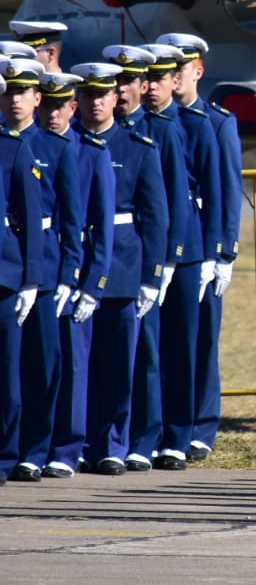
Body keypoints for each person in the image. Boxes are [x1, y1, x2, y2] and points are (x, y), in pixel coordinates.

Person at [70, 63, 167, 476]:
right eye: (88, 96)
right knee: (78, 364)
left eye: (103, 95)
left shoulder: (137, 146)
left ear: (116, 98)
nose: (96, 103)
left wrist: (152, 276)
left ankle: (113, 442)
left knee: (119, 363)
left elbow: (155, 216)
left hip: (123, 264)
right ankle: (76, 442)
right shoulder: (67, 143)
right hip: (76, 261)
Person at [157, 32, 243, 463]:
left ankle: (201, 425)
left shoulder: (217, 122)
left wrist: (223, 251)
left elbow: (227, 191)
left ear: (197, 71)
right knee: (169, 338)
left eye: (182, 68)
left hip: (204, 245)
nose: (175, 76)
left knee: (203, 337)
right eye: (169, 68)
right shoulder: (159, 120)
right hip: (173, 243)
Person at [139, 42, 223, 471]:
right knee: (150, 349)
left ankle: (182, 432)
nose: (153, 86)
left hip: (188, 248)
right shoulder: (138, 125)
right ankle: (149, 433)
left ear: (177, 79)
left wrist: (218, 252)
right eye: (148, 78)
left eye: (161, 78)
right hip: (145, 247)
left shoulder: (197, 124)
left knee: (186, 346)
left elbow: (216, 190)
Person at [104, 43, 188, 472]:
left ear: (142, 85)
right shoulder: (100, 131)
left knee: (148, 351)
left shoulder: (161, 132)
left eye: (129, 82)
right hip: (106, 256)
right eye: (116, 82)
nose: (121, 90)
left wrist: (165, 262)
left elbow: (170, 204)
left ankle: (145, 436)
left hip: (141, 255)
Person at [6, 57, 83, 483]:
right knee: (9, 366)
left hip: (47, 270)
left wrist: (70, 274)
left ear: (38, 99)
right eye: (9, 92)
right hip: (7, 265)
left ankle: (37, 449)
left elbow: (72, 219)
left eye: (23, 92)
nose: (15, 100)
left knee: (44, 363)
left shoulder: (57, 147)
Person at [40, 71, 115, 479]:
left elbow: (101, 227)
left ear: (73, 107)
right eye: (47, 105)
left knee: (73, 367)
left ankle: (67, 449)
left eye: (60, 106)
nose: (53, 114)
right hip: (36, 270)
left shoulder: (91, 153)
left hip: (75, 271)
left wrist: (92, 284)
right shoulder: (28, 147)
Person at [0, 65, 43, 486]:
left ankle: (5, 455)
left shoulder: (12, 149)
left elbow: (30, 218)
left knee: (6, 372)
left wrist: (31, 278)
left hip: (4, 276)